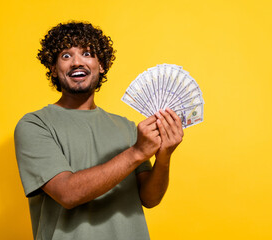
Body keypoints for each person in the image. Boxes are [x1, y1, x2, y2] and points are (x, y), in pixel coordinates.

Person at [14, 21, 183, 240]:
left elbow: (150, 199)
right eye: (66, 56)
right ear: (53, 68)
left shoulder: (127, 127)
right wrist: (137, 152)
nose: (77, 62)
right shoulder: (34, 125)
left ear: (101, 65)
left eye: (87, 53)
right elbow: (67, 193)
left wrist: (164, 156)